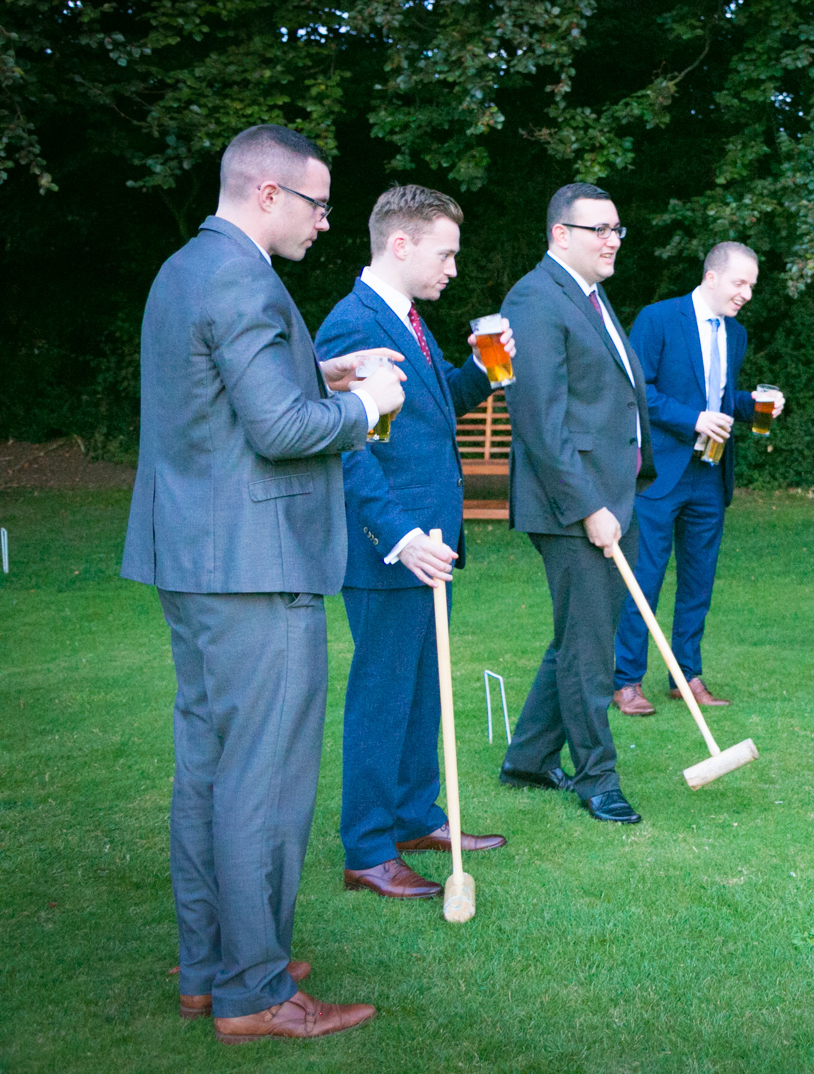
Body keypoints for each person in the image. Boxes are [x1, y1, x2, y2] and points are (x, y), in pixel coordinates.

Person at [122, 124, 398, 1041]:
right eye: (318, 204)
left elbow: (223, 391)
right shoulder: (243, 277)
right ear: (270, 193)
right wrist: (364, 404)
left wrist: (319, 370)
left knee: (209, 769)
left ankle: (211, 965)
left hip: (195, 560)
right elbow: (278, 430)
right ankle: (256, 990)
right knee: (265, 781)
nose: (325, 221)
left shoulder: (186, 268)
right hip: (254, 565)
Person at [314, 185, 513, 901]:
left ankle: (413, 816)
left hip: (433, 544)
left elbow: (428, 411)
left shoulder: (408, 318)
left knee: (422, 690)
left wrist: (482, 373)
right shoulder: (352, 324)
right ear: (400, 244)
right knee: (382, 694)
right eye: (445, 253)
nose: (453, 268)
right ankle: (368, 849)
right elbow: (347, 447)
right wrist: (397, 535)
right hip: (390, 548)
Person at [496, 182, 653, 825]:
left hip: (616, 494)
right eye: (600, 230)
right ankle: (597, 778)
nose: (613, 240)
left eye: (617, 229)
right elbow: (539, 418)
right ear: (560, 234)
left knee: (579, 638)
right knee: (589, 651)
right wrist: (588, 506)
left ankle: (529, 759)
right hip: (575, 505)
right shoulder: (536, 298)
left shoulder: (588, 294)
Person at [611, 242, 783, 714]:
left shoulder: (736, 333)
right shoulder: (658, 318)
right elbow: (636, 391)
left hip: (709, 472)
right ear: (711, 276)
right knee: (644, 579)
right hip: (657, 475)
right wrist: (694, 419)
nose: (747, 293)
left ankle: (685, 676)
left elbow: (721, 399)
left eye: (752, 285)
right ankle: (626, 681)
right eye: (740, 283)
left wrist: (754, 405)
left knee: (697, 583)